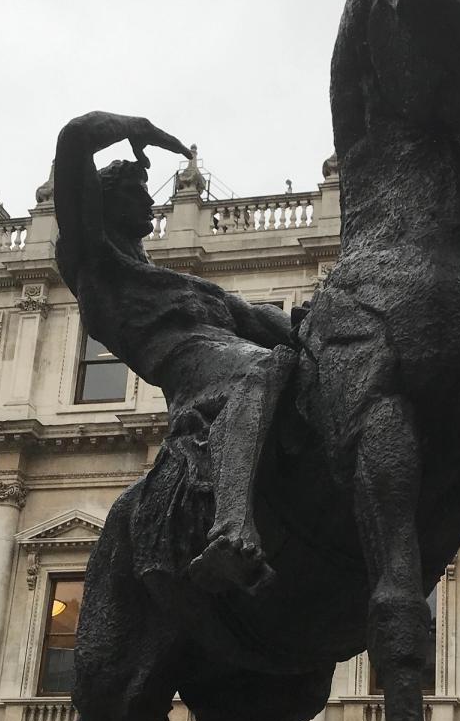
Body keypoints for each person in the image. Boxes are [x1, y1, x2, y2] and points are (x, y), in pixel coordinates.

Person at [53, 112, 297, 592]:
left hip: (228, 353)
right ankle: (229, 530)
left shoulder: (184, 282)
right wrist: (133, 127)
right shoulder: (93, 260)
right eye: (135, 194)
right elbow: (74, 139)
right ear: (103, 203)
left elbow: (257, 318)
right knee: (260, 369)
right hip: (193, 376)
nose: (149, 201)